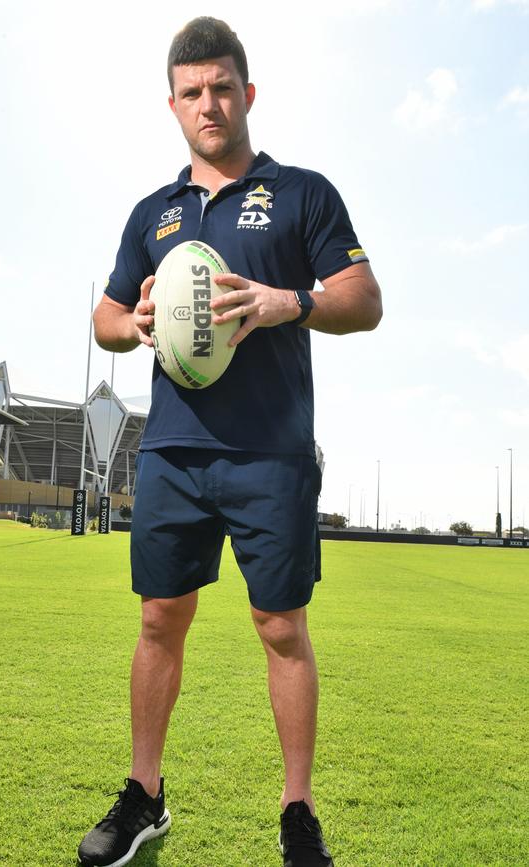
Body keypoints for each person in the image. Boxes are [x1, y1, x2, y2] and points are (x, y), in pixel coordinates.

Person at [77, 16, 382, 867]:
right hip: (174, 449)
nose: (207, 104)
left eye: (221, 88)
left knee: (280, 626)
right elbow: (102, 314)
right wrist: (131, 321)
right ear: (171, 106)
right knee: (158, 617)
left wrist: (293, 301)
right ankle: (145, 796)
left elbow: (364, 297)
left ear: (247, 94)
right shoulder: (154, 212)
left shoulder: (302, 193)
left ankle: (297, 812)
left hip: (270, 450)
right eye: (190, 93)